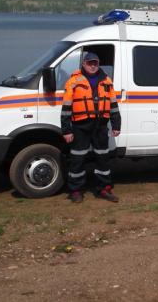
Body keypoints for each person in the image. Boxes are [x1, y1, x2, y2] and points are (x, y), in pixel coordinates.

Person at [61, 52, 121, 203]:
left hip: (100, 126)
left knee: (103, 158)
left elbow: (113, 105)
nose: (93, 66)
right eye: (90, 63)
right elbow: (66, 107)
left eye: (95, 63)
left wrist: (116, 124)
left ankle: (104, 189)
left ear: (98, 63)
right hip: (81, 126)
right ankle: (75, 190)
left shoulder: (106, 81)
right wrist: (66, 130)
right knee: (77, 159)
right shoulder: (73, 81)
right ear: (83, 64)